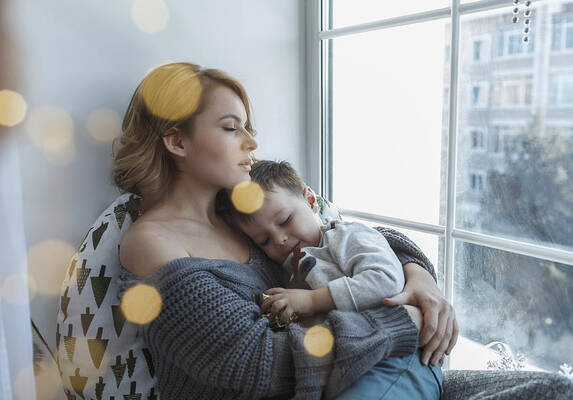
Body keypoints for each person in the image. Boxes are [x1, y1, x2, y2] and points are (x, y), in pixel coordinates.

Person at [112, 62, 457, 399]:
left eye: (248, 128)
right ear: (178, 143)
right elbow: (260, 361)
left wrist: (421, 284)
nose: (251, 143)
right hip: (358, 368)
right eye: (232, 128)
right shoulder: (152, 243)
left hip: (372, 366)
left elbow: (352, 236)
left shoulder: (240, 206)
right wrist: (403, 321)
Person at [221, 159, 444, 399]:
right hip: (349, 367)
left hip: (398, 358)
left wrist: (311, 300)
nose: (279, 240)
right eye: (264, 240)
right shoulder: (288, 271)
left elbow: (385, 280)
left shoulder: (345, 236)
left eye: (286, 220)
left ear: (310, 201)